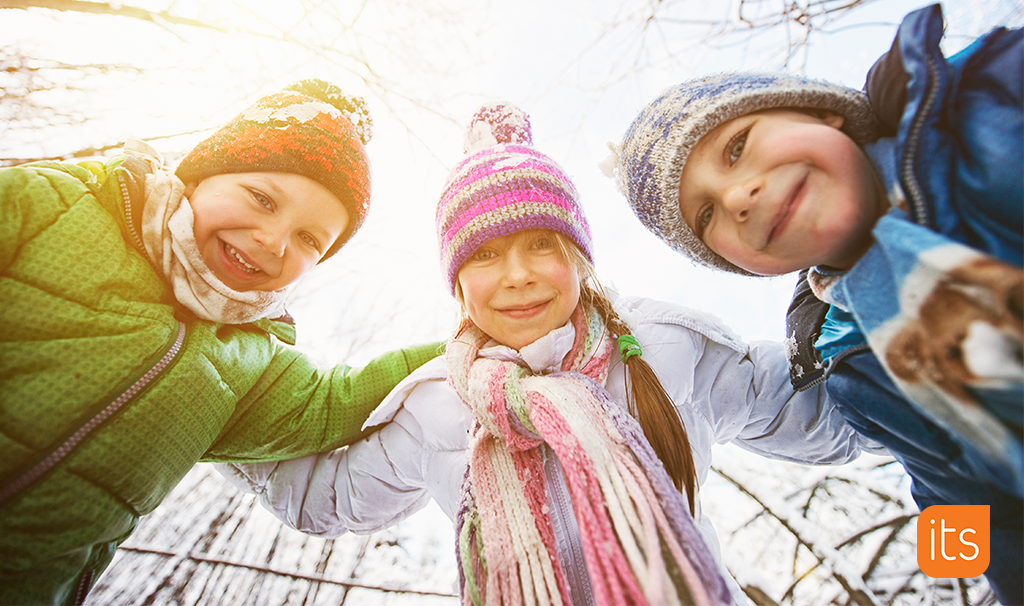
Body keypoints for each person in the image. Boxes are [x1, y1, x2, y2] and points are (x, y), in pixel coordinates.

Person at [218, 102, 881, 606]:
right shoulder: (438, 404)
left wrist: (868, 302)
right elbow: (324, 498)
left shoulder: (665, 350)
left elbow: (833, 420)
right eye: (484, 254)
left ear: (578, 257)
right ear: (456, 283)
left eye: (541, 244)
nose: (518, 274)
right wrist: (220, 401)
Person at [612, 3, 1024, 601]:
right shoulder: (858, 372)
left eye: (736, 148)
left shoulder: (989, 103)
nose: (738, 195)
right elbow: (967, 498)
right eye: (706, 215)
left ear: (823, 112)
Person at [0, 78, 440, 606]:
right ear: (202, 175)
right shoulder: (57, 206)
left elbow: (334, 403)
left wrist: (472, 342)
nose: (274, 241)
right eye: (261, 198)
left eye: (309, 240)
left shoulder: (245, 365)